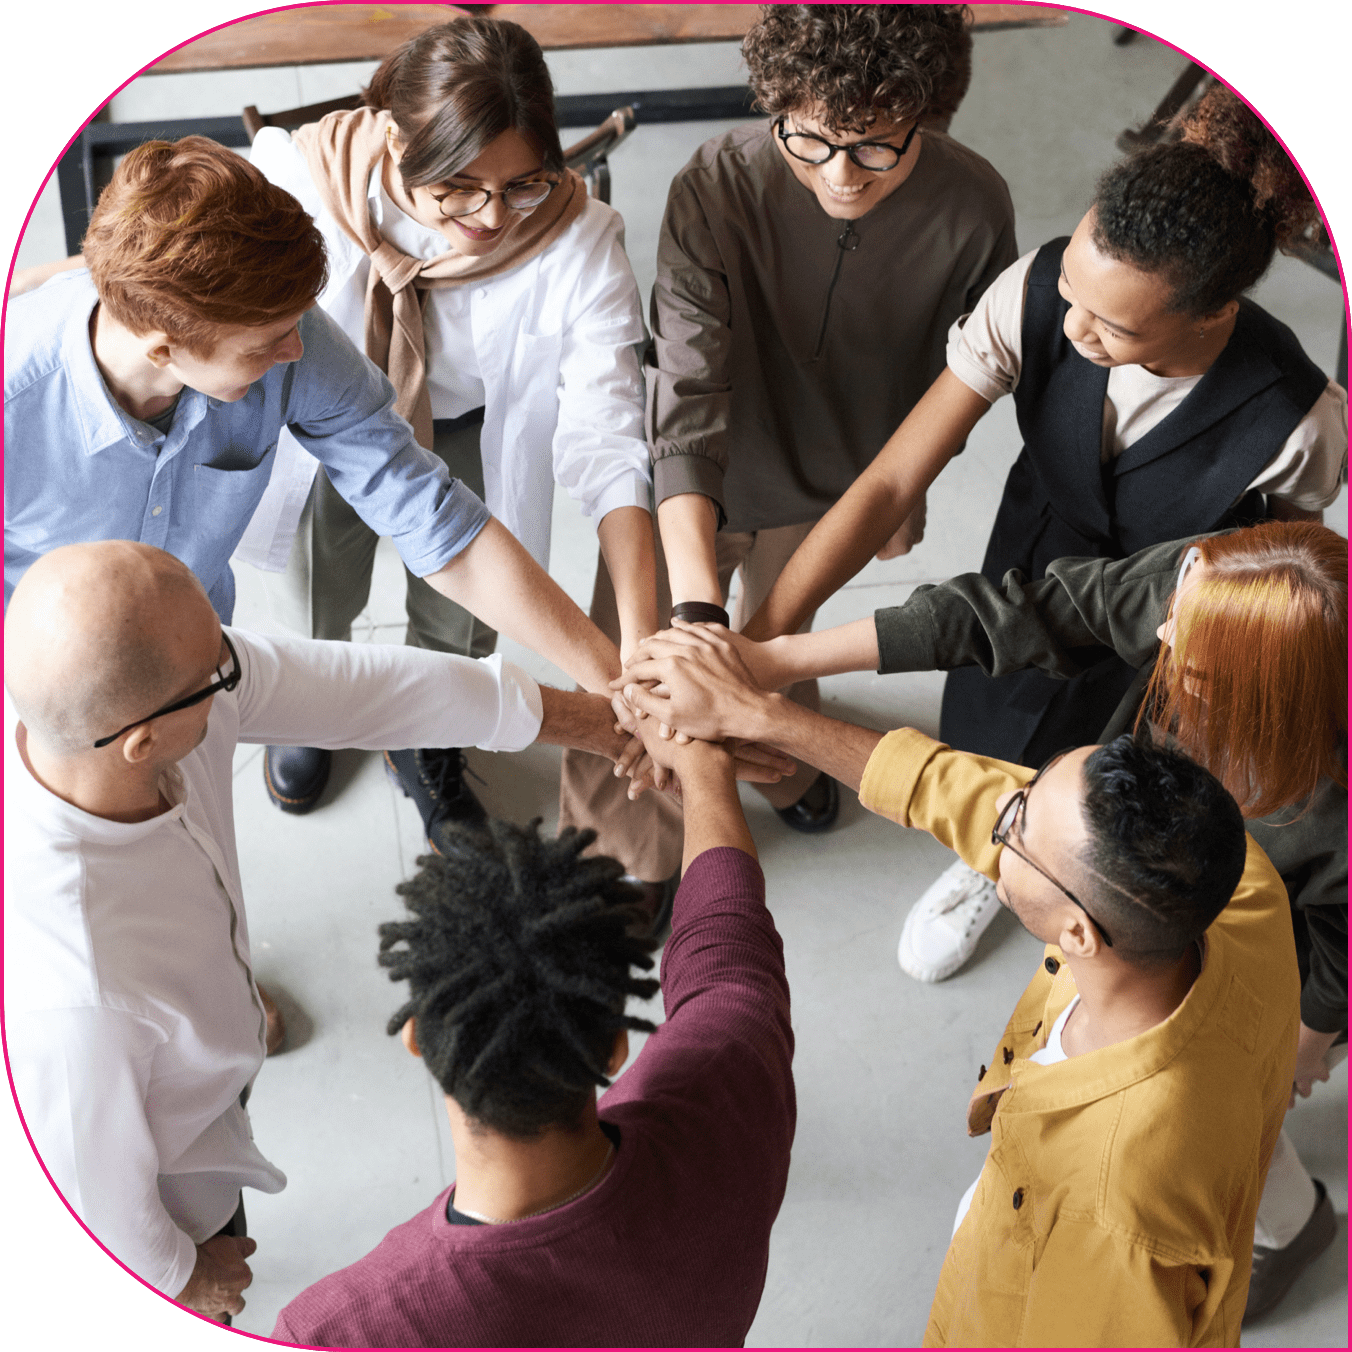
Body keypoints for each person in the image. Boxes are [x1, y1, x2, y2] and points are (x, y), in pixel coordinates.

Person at [736, 85, 1346, 978]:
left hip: (1163, 634)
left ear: (1211, 316)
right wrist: (765, 641)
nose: (1071, 327)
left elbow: (1265, 591)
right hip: (1030, 554)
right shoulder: (1033, 291)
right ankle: (989, 859)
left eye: (1111, 324)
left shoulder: (1300, 422)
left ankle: (1065, 885)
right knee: (989, 715)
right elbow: (892, 478)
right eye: (1071, 294)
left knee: (1104, 784)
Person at [677, 519, 1348, 1315]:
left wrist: (1310, 1039)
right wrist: (768, 704)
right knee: (1248, 1128)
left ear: (1079, 934)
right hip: (1225, 1057)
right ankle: (1293, 1216)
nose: (1162, 628)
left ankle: (1296, 1223)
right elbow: (970, 771)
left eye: (1012, 835)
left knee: (1251, 1131)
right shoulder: (1242, 887)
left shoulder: (1120, 1211)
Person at [0, 540, 676, 1324]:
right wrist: (183, 1276)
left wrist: (598, 723)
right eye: (216, 672)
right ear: (140, 743)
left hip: (196, 1054)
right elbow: (85, 1189)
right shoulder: (76, 989)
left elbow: (370, 690)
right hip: (177, 1181)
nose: (237, 667)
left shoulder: (153, 708)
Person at [2, 134, 625, 821]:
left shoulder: (283, 329)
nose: (295, 352)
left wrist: (615, 681)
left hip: (198, 666)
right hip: (40, 706)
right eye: (265, 347)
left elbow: (429, 513)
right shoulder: (15, 401)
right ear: (163, 349)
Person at [557, 3, 1017, 891]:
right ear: (779, 101)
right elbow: (687, 397)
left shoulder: (974, 207)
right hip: (699, 482)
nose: (841, 175)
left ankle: (786, 766)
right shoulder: (716, 184)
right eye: (809, 139)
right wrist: (697, 625)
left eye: (878, 144)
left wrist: (743, 669)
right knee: (641, 650)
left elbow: (951, 387)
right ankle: (622, 852)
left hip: (840, 486)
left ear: (931, 112)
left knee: (785, 638)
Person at [245, 14, 657, 832]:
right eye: (459, 188)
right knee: (319, 583)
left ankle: (430, 734)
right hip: (324, 423)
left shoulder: (578, 238)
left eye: (521, 184)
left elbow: (609, 435)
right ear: (397, 141)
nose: (494, 218)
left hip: (468, 424)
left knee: (464, 615)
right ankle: (314, 711)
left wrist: (636, 651)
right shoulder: (300, 176)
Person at [270, 722, 793, 1346]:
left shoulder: (336, 1331)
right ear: (614, 1045)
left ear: (417, 1039)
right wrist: (705, 769)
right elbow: (729, 953)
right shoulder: (732, 1082)